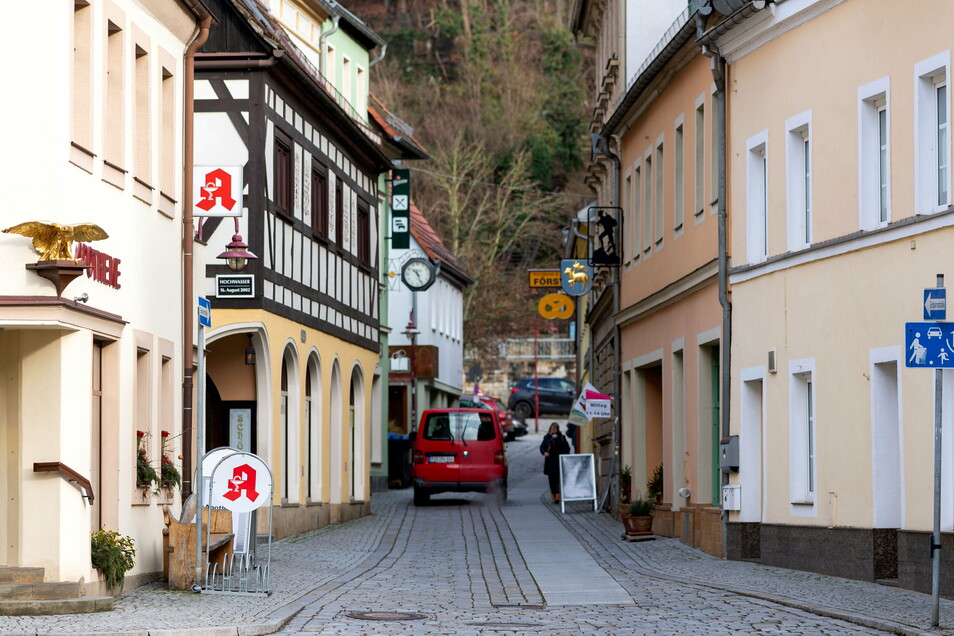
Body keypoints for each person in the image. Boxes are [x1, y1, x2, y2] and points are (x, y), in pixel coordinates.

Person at [540, 423, 571, 503]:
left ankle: (558, 495)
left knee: (558, 479)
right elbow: (542, 447)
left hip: (559, 461)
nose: (553, 430)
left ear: (557, 429)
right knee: (551, 479)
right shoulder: (547, 437)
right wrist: (544, 452)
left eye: (555, 428)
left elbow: (567, 449)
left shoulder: (562, 438)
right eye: (552, 428)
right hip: (550, 461)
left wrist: (563, 454)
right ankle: (553, 494)